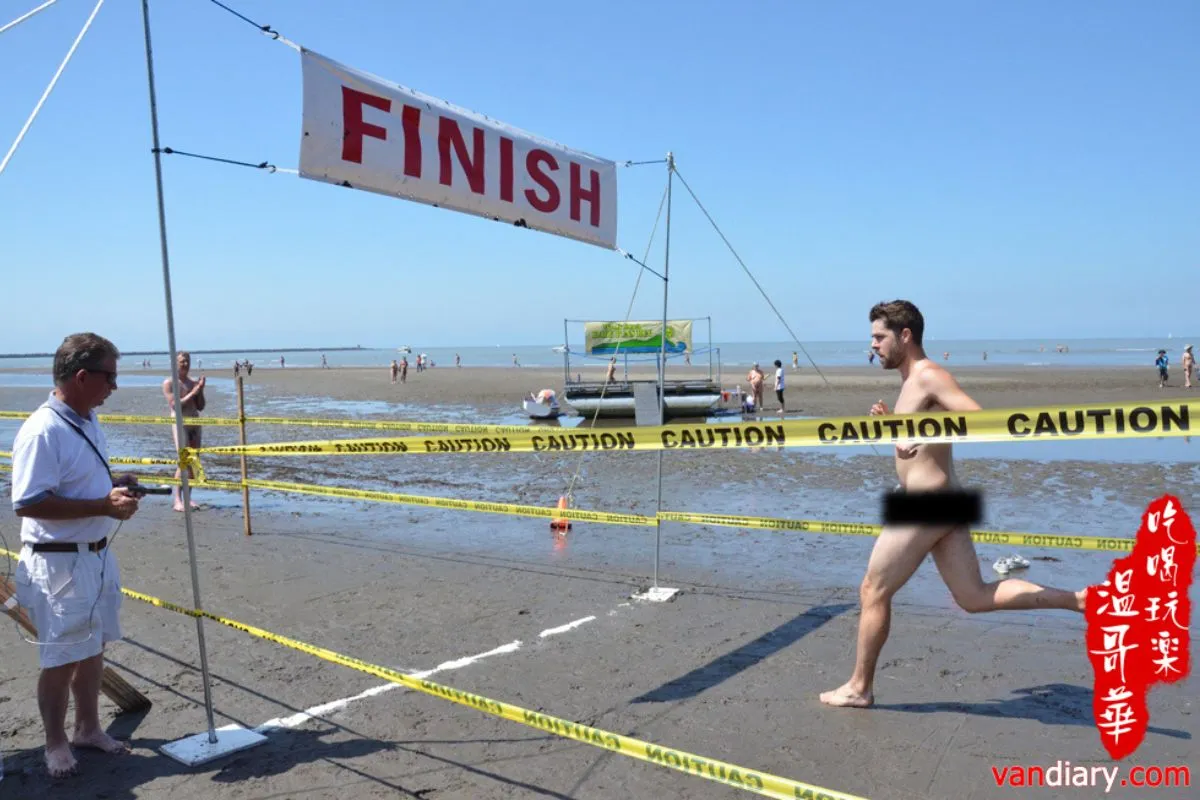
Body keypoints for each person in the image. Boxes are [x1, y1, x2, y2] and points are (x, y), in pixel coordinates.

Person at [819, 301, 1085, 709]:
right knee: (973, 597)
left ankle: (859, 687)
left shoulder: (929, 375)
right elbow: (925, 439)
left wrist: (921, 434)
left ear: (905, 336)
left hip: (927, 504)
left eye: (879, 337)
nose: (873, 346)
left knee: (873, 589)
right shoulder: (911, 381)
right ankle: (1080, 600)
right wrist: (895, 423)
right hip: (944, 501)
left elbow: (979, 420)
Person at [10, 332, 141, 777]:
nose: (115, 386)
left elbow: (79, 483)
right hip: (59, 561)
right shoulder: (43, 430)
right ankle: (55, 743)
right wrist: (103, 506)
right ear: (82, 376)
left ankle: (88, 727)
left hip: (97, 555)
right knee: (60, 657)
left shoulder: (86, 419)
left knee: (94, 646)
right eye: (110, 377)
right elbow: (27, 502)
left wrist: (115, 488)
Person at [162, 351, 205, 512]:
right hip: (180, 422)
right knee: (184, 459)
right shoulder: (169, 383)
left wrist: (200, 390)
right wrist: (193, 392)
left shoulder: (192, 382)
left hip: (195, 422)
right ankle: (177, 499)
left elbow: (200, 405)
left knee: (194, 460)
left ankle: (188, 498)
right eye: (181, 361)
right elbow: (175, 405)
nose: (185, 364)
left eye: (187, 361)